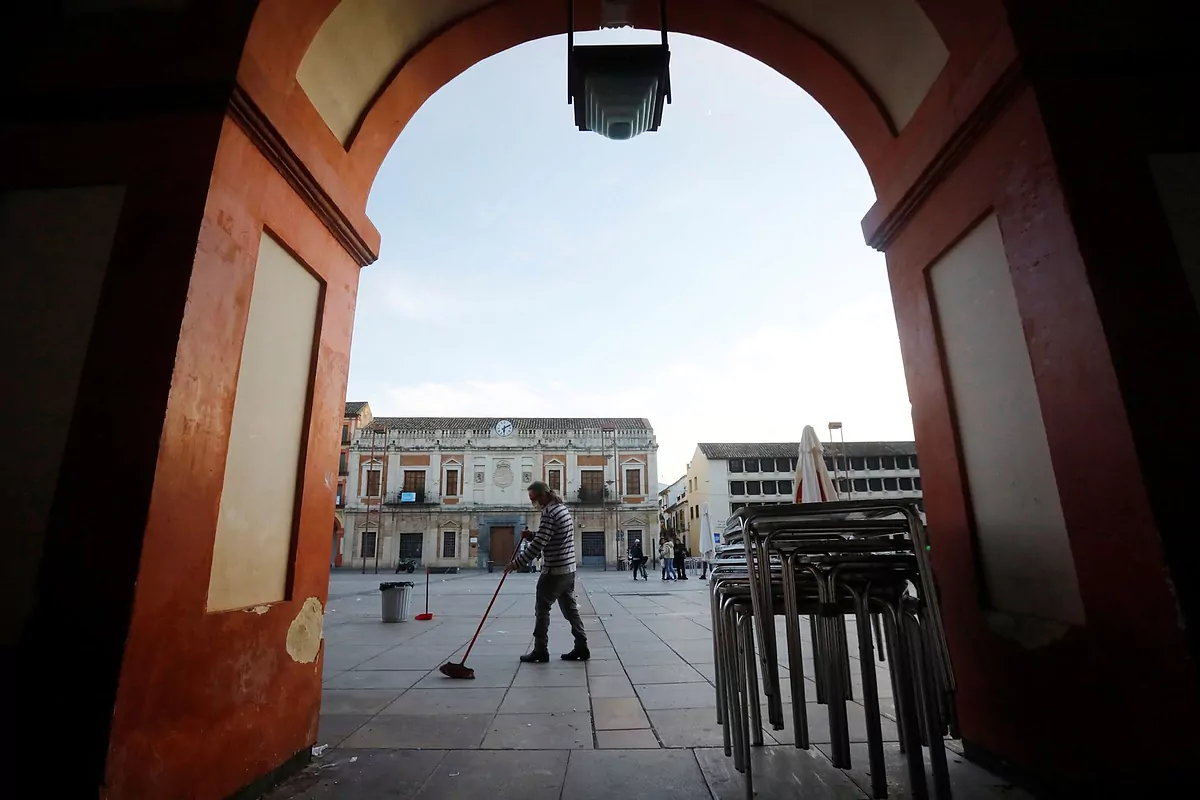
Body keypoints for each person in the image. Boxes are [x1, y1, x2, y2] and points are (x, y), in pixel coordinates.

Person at [507, 481, 589, 663]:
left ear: (543, 495)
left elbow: (539, 545)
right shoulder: (561, 509)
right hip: (568, 569)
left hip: (554, 570)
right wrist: (531, 535)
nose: (533, 503)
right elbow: (549, 537)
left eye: (534, 498)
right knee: (570, 609)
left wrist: (516, 563)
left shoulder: (549, 513)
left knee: (542, 609)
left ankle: (540, 650)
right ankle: (582, 646)